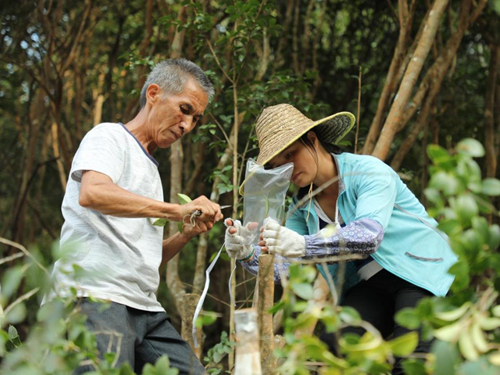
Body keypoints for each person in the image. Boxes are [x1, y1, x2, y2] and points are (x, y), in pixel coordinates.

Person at [224, 104, 457, 374]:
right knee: (327, 356)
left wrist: (303, 245)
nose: (288, 168)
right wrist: (247, 254)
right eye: (278, 166)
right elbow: (285, 267)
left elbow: (368, 236)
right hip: (373, 285)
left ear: (313, 139)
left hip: (422, 271)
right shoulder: (301, 207)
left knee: (412, 363)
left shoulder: (368, 171)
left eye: (291, 154)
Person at [46, 59, 222, 374]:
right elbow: (93, 193)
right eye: (184, 109)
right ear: (153, 93)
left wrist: (185, 233)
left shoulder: (151, 170)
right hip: (94, 295)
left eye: (195, 118)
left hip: (143, 307)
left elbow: (146, 259)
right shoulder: (109, 137)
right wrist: (175, 210)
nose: (187, 125)